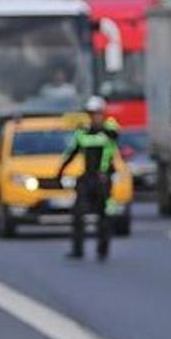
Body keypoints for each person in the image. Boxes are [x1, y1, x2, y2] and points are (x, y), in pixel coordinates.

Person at [56, 96, 120, 261]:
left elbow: (114, 134)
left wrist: (102, 128)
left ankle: (102, 250)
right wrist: (60, 172)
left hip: (104, 179)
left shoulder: (109, 130)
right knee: (78, 214)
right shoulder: (82, 133)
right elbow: (71, 153)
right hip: (87, 178)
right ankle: (78, 250)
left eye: (97, 113)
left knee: (104, 216)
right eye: (91, 114)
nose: (94, 117)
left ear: (102, 113)